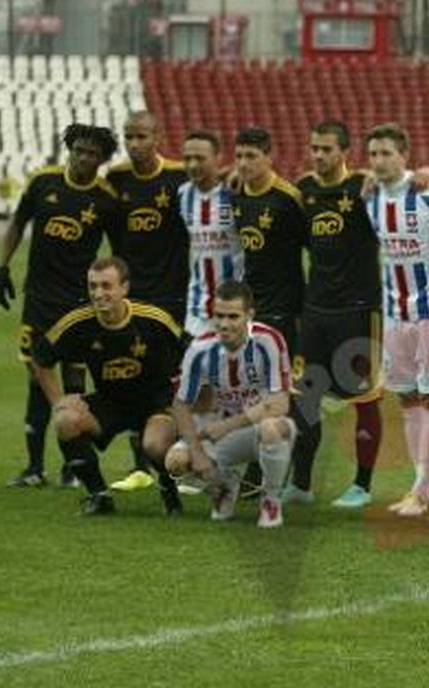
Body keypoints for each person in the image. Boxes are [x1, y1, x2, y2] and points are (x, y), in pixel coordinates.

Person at [0, 123, 121, 489]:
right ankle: (35, 468)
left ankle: (73, 466)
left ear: (102, 160)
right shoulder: (43, 182)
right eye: (78, 150)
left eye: (92, 153)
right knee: (37, 379)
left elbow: (118, 252)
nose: (83, 157)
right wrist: (2, 268)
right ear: (69, 149)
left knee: (74, 382)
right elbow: (18, 224)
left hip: (80, 304)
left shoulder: (106, 199)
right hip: (39, 300)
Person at [30, 256, 184, 516]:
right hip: (110, 402)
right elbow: (40, 359)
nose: (98, 294)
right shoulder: (78, 322)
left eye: (106, 286)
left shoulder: (153, 319)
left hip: (154, 402)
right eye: (93, 286)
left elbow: (192, 354)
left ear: (125, 288)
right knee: (66, 421)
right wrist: (59, 402)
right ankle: (99, 495)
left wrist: (183, 403)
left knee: (155, 446)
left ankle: (169, 489)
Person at [286, 121, 385, 510]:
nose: (319, 155)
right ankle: (302, 484)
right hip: (316, 311)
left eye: (327, 149)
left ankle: (362, 485)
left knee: (365, 398)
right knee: (305, 398)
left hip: (359, 311)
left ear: (345, 151)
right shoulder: (304, 192)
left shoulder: (363, 187)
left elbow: (401, 189)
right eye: (314, 148)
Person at [365, 123, 429, 517]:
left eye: (387, 153)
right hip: (393, 315)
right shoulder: (369, 198)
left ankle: (421, 488)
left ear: (404, 154)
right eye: (373, 154)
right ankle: (427, 486)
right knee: (406, 397)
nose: (379, 161)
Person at [105, 111, 191, 493]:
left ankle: (179, 457)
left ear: (158, 136)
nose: (134, 143)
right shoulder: (117, 179)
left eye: (141, 136)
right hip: (131, 299)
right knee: (132, 376)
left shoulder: (177, 177)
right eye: (128, 136)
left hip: (172, 298)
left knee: (174, 378)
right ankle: (140, 465)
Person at [165, 281, 296, 528]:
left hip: (256, 429)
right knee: (175, 462)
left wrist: (228, 425)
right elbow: (180, 404)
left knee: (273, 427)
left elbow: (280, 403)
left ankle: (270, 499)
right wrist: (196, 452)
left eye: (233, 316)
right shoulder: (200, 348)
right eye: (219, 316)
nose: (224, 325)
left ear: (249, 315)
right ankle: (224, 484)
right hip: (217, 430)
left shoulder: (268, 340)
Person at [231, 127, 307, 351]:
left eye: (251, 156)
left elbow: (312, 247)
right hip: (251, 300)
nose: (243, 163)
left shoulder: (288, 198)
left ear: (269, 157)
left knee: (282, 375)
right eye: (239, 156)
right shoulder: (236, 195)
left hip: (284, 304)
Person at [178, 130, 243, 339]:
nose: (193, 165)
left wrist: (237, 171)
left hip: (237, 307)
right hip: (197, 309)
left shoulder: (236, 193)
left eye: (200, 158)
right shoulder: (182, 194)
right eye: (187, 158)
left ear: (218, 158)